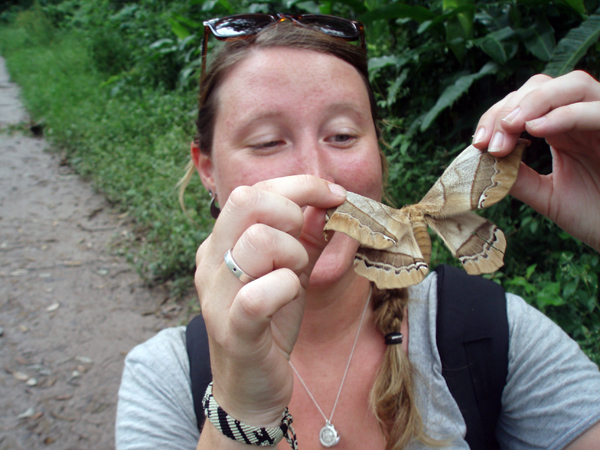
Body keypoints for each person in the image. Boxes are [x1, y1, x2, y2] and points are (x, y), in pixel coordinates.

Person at [115, 13, 600, 450]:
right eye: (266, 142)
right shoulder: (165, 379)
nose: (318, 175)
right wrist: (241, 408)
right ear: (207, 170)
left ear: (379, 155)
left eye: (343, 135)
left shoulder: (494, 333)